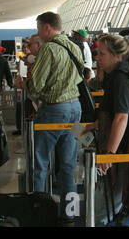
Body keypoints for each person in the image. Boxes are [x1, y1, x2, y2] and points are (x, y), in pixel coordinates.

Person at [16, 12, 83, 227]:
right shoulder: (74, 46)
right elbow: (82, 75)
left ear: (46, 27)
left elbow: (36, 84)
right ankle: (69, 215)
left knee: (40, 163)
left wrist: (25, 84)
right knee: (69, 165)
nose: (37, 34)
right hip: (76, 108)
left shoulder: (49, 48)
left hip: (54, 110)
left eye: (38, 28)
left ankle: (39, 213)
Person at [83, 34, 129, 226]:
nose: (97, 57)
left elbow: (122, 117)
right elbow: (116, 114)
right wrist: (94, 125)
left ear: (117, 55)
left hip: (121, 150)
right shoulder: (121, 76)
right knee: (111, 204)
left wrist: (110, 154)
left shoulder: (120, 79)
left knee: (103, 209)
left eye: (102, 54)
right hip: (122, 147)